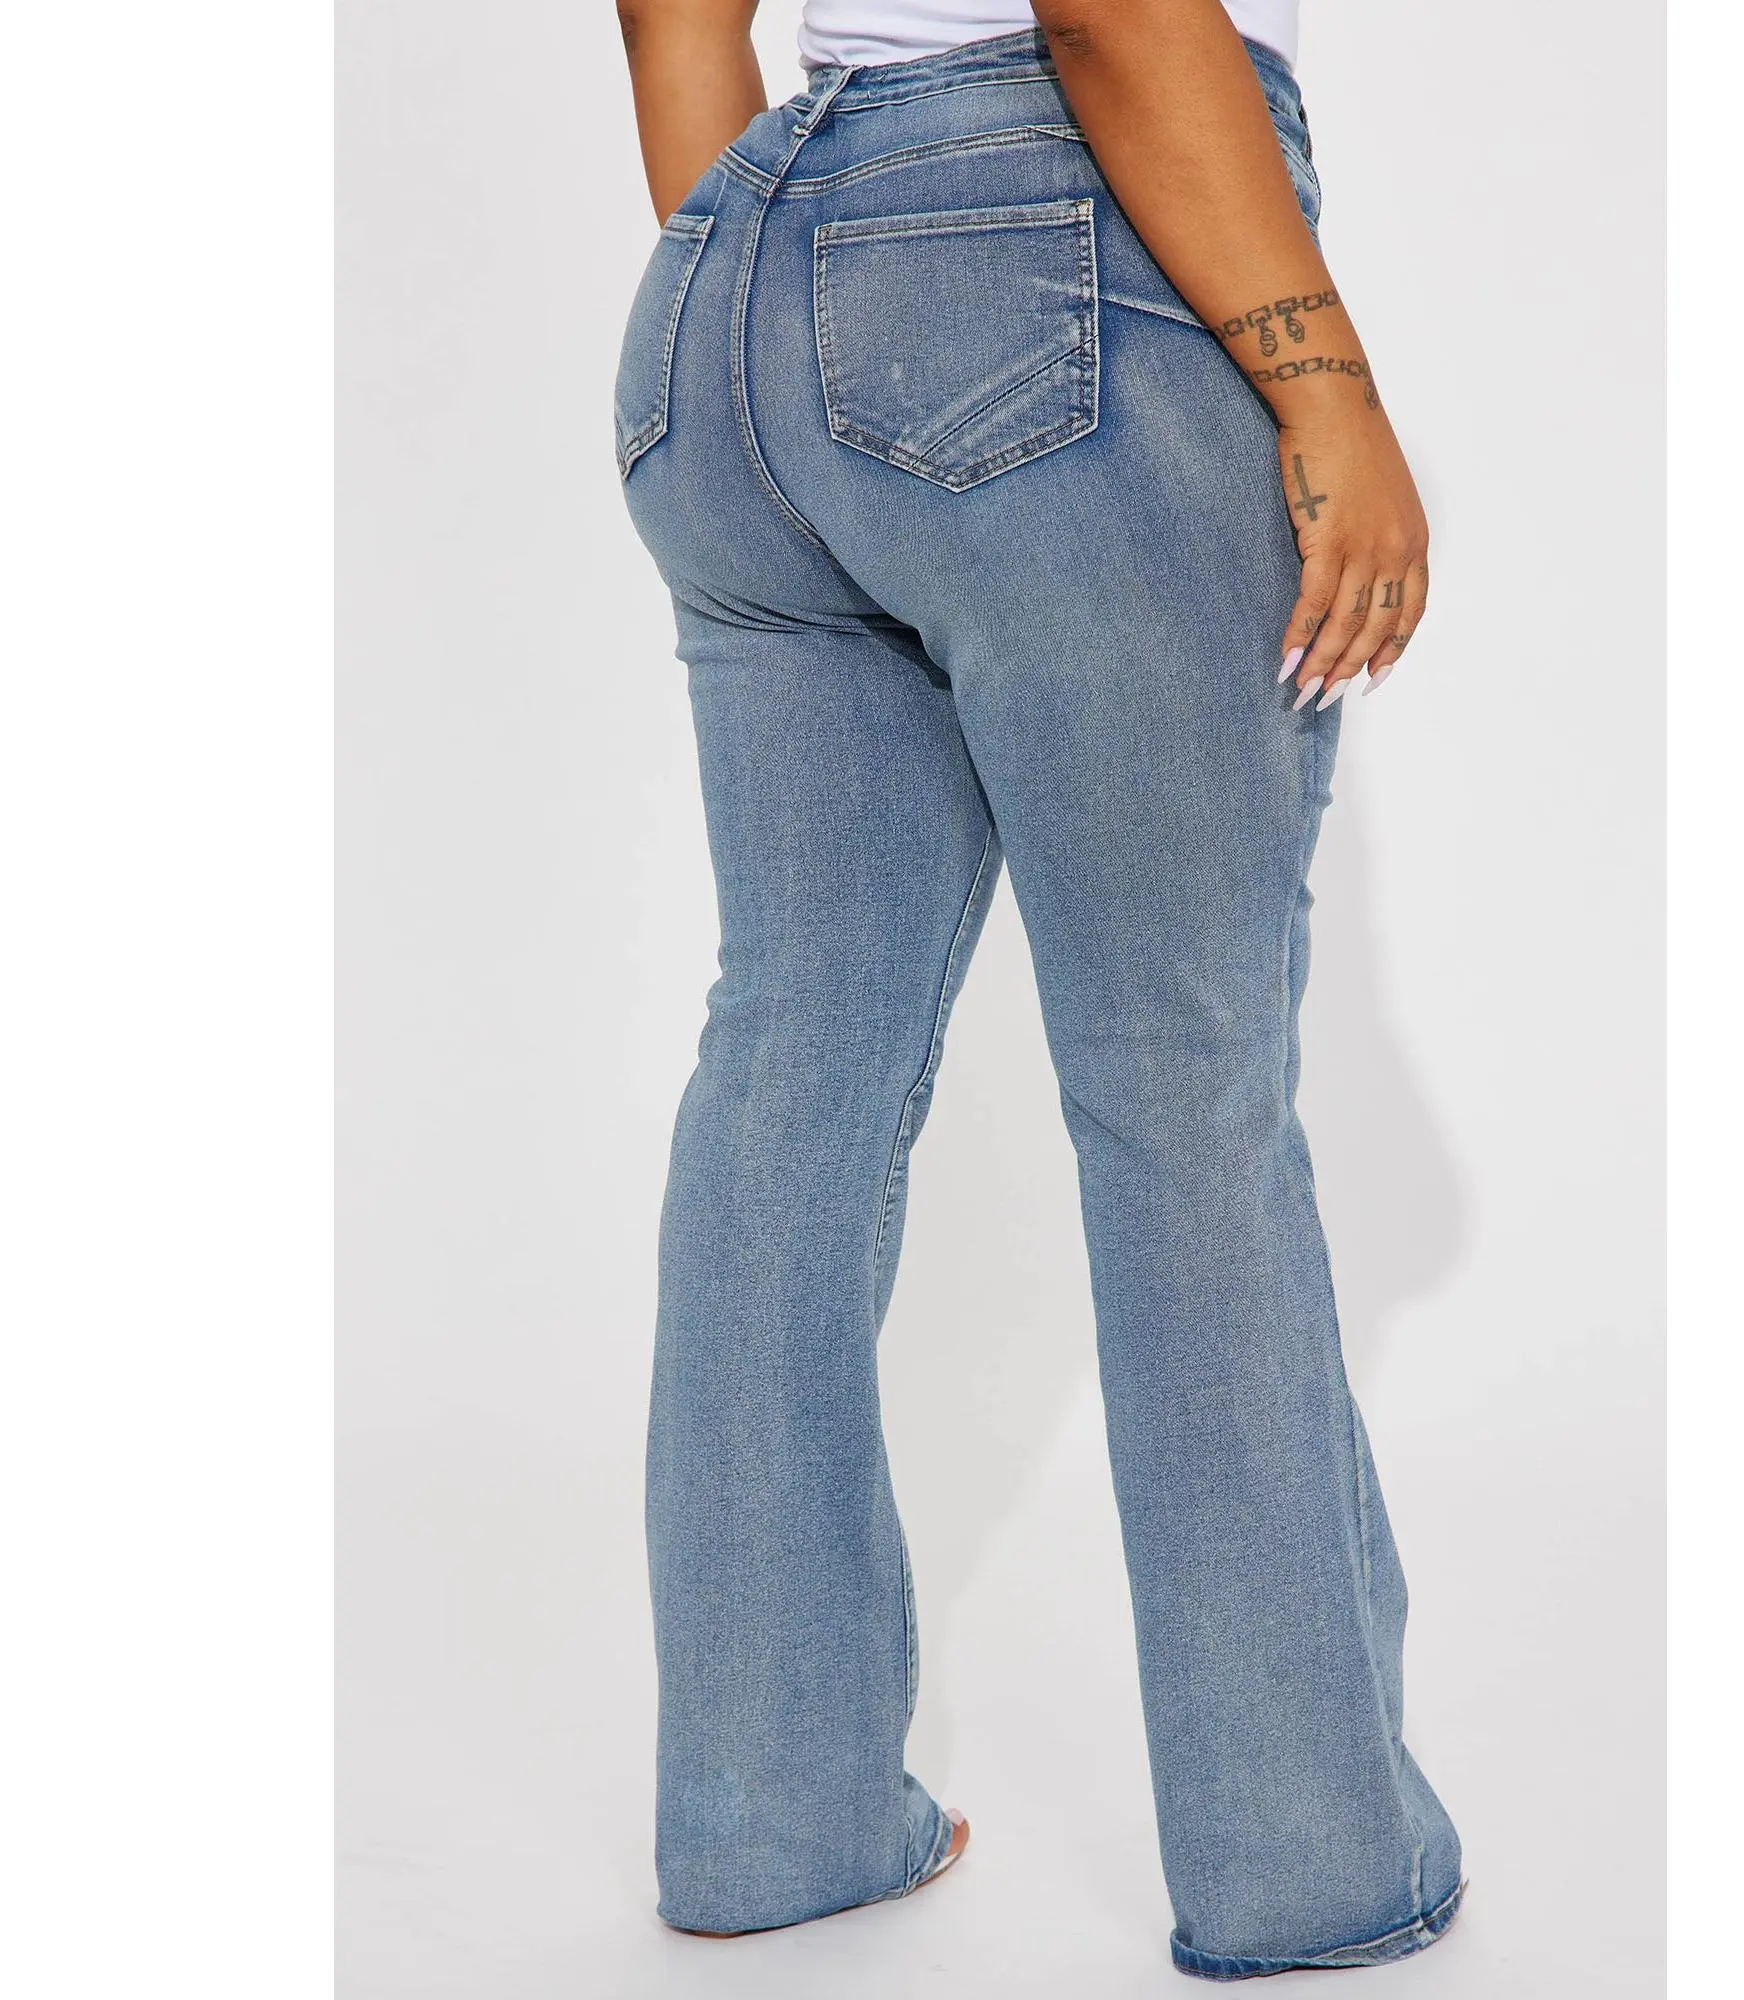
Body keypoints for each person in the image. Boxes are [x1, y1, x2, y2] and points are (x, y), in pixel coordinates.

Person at [612, 0, 1463, 1978]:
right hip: (1043, 240)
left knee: (791, 1059)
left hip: (724, 307)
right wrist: (1325, 385)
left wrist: (812, 310)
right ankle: (1309, 1863)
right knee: (1180, 1082)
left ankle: (767, 1819)